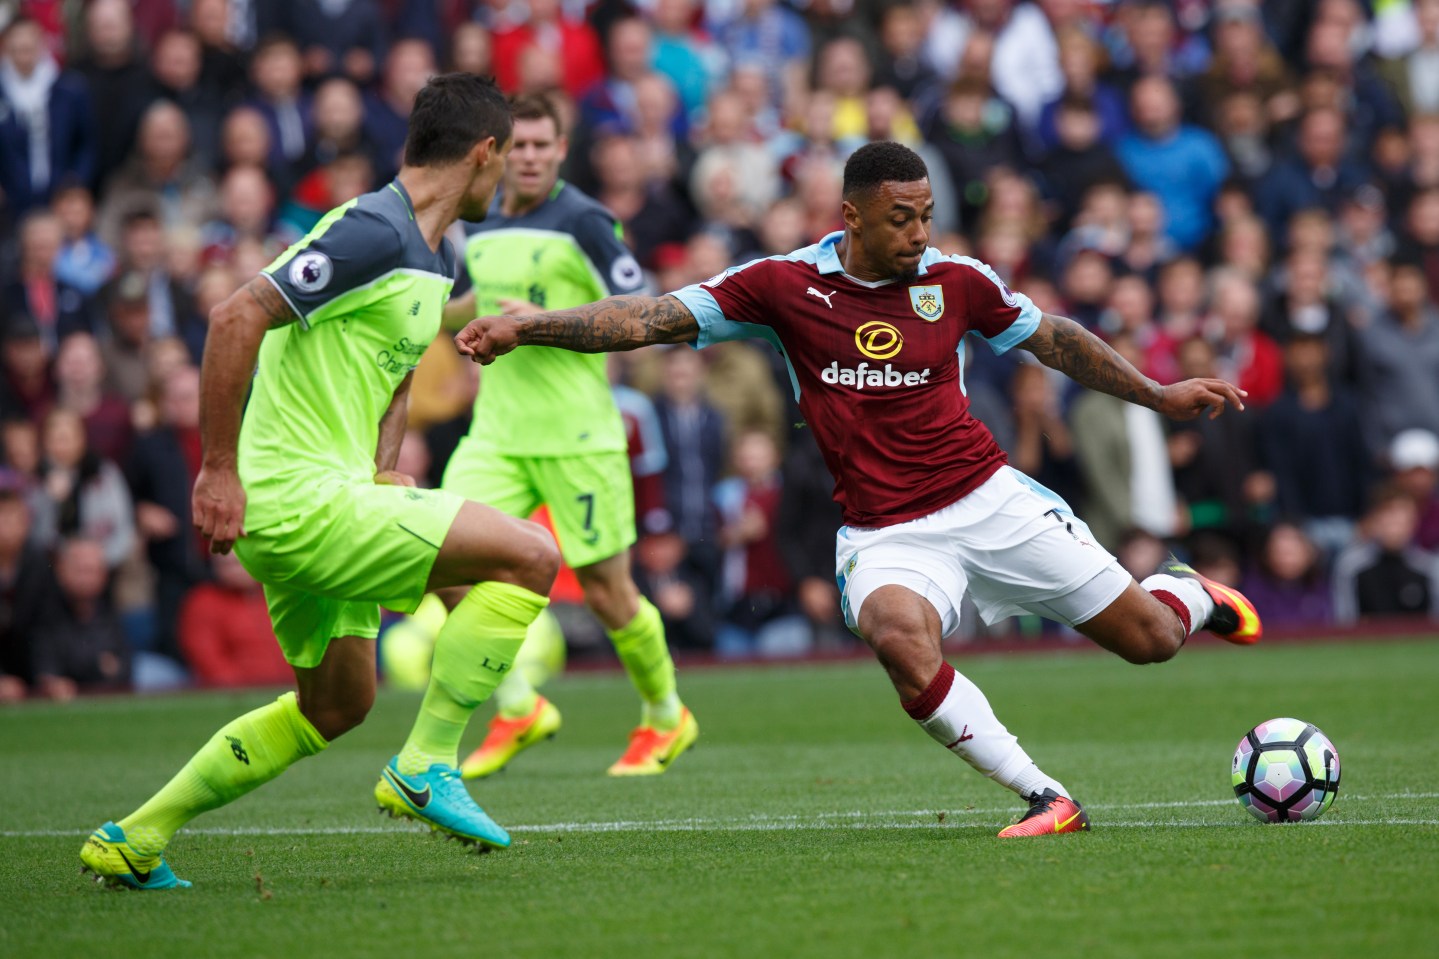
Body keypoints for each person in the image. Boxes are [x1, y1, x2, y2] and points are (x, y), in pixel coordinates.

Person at [457, 141, 1264, 839]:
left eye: (925, 215)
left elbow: (1053, 339)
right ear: (851, 215)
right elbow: (645, 318)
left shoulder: (956, 280)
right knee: (895, 634)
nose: (919, 233)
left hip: (988, 497)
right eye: (900, 218)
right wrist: (529, 326)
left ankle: (1185, 596)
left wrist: (1156, 394)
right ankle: (1045, 795)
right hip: (887, 532)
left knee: (1151, 639)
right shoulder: (780, 285)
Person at [80, 74, 561, 892]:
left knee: (336, 705)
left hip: (332, 494)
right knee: (530, 556)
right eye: (507, 155)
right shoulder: (371, 230)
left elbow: (394, 374)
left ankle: (135, 836)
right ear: (484, 153)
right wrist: (219, 470)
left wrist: (382, 463)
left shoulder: (430, 253)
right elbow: (237, 316)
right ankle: (428, 763)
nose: (510, 173)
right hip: (298, 501)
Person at [438, 94, 696, 779]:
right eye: (514, 145)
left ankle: (667, 715)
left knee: (609, 593)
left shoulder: (584, 219)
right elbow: (463, 309)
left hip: (578, 435)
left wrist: (543, 318)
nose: (525, 156)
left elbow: (644, 313)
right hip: (495, 432)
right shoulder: (479, 222)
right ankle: (517, 704)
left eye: (538, 145)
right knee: (437, 555)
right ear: (494, 150)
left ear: (559, 149)